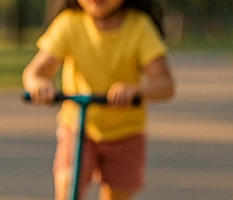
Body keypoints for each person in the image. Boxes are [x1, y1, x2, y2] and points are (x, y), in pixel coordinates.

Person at [22, 0, 175, 199]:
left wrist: (136, 90)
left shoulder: (139, 26)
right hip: (78, 128)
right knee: (68, 186)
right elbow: (35, 72)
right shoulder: (69, 23)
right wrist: (39, 85)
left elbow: (165, 84)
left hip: (126, 133)